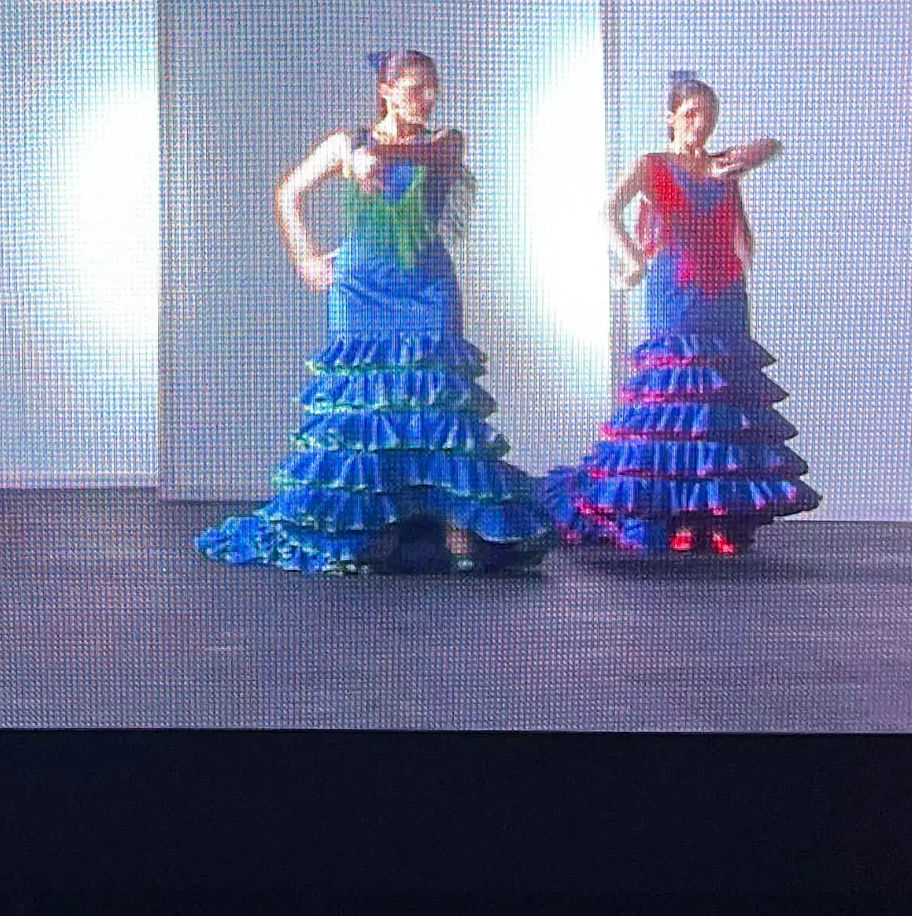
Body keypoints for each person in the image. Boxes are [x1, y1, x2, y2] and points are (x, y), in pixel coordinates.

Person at [195, 50, 556, 574]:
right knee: (364, 407)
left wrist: (369, 155)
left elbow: (428, 156)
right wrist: (306, 256)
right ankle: (361, 523)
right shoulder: (349, 141)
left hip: (425, 283)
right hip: (361, 285)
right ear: (386, 91)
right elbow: (289, 192)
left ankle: (455, 525)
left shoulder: (445, 140)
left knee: (436, 403)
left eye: (432, 87)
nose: (426, 98)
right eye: (414, 88)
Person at [543, 70, 819, 556]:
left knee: (718, 404)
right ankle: (665, 509)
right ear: (670, 118)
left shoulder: (722, 166)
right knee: (675, 401)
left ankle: (708, 512)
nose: (700, 124)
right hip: (674, 290)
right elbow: (607, 210)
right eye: (691, 115)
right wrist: (632, 261)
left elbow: (770, 146)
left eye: (708, 116)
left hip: (724, 293)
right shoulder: (652, 164)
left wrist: (739, 158)